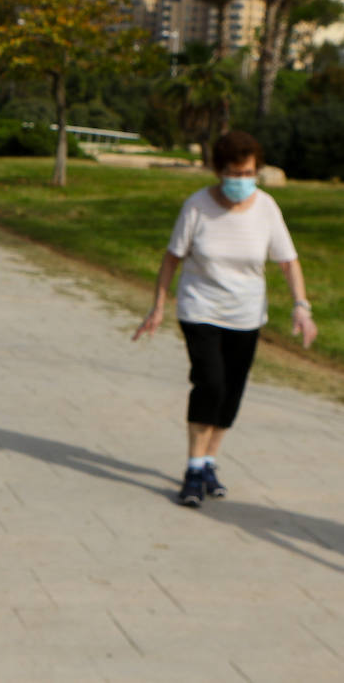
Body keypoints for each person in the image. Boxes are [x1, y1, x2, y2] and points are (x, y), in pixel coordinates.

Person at [132, 131, 317, 507]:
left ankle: (211, 459)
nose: (241, 181)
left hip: (246, 314)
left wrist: (301, 305)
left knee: (232, 391)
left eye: (248, 173)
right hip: (200, 309)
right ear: (219, 171)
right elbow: (172, 259)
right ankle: (194, 468)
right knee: (210, 384)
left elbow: (288, 261)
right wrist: (158, 306)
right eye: (234, 173)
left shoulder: (266, 208)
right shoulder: (197, 206)